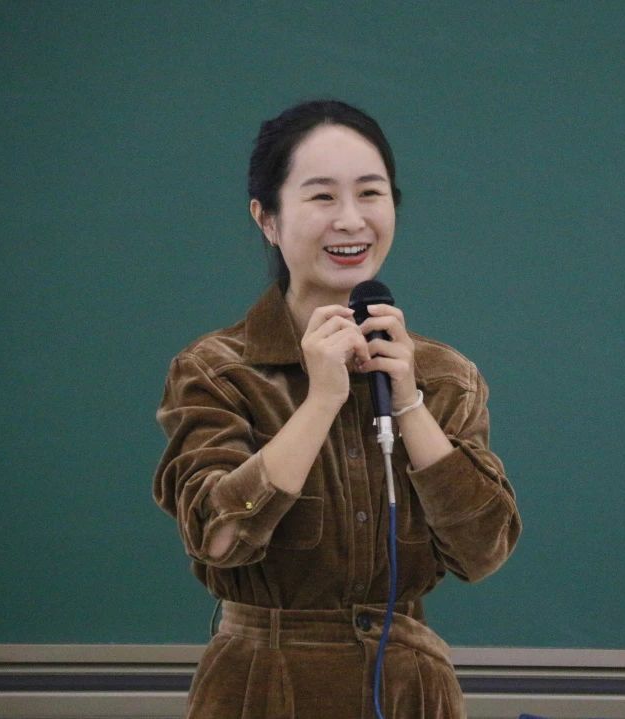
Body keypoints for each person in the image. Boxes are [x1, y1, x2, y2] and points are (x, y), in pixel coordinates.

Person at [153, 99, 521, 718]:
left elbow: (483, 550)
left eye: (371, 193)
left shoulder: (444, 376)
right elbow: (218, 536)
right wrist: (321, 401)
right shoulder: (217, 370)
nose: (351, 220)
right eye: (322, 197)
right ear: (267, 218)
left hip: (408, 691)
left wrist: (409, 404)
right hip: (261, 688)